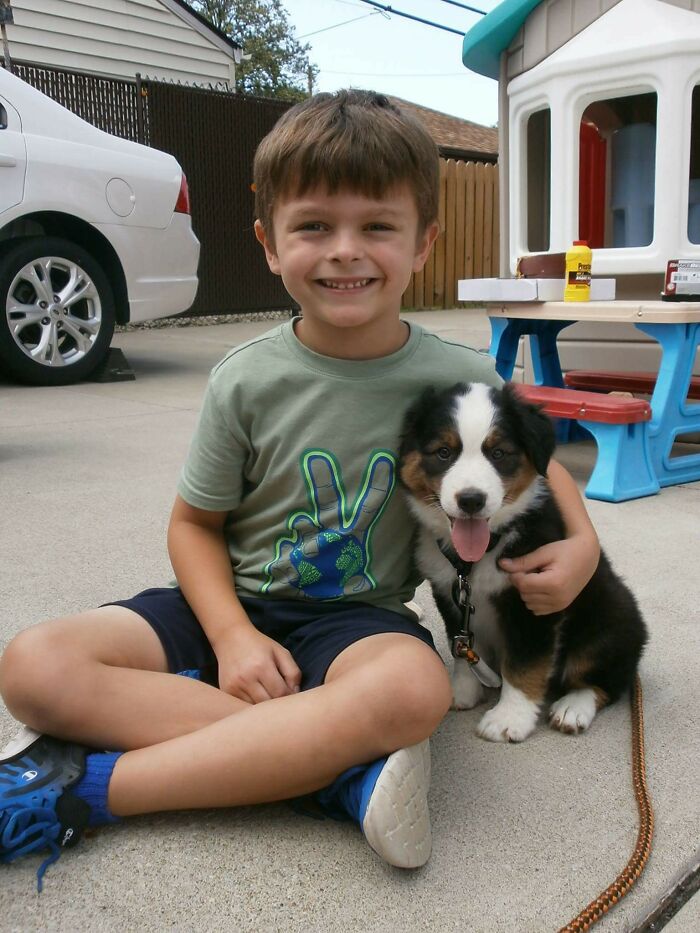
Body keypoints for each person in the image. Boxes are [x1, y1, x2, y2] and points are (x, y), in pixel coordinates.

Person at [0, 90, 600, 888]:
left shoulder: (457, 374)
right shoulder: (245, 380)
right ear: (270, 243)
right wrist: (232, 638)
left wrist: (583, 548)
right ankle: (332, 768)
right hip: (228, 604)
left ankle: (93, 788)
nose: (345, 251)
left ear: (424, 241)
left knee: (412, 690)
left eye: (377, 226)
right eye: (314, 226)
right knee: (33, 665)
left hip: (358, 623)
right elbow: (193, 525)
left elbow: (539, 466)